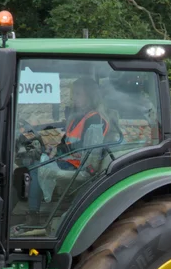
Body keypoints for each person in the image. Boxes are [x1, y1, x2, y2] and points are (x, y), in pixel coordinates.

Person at [25, 76, 118, 216]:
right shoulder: (77, 117)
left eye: (78, 94)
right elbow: (66, 142)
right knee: (33, 159)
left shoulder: (94, 118)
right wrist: (53, 150)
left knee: (35, 168)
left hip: (80, 164)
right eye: (73, 94)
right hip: (69, 160)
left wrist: (59, 151)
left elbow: (85, 146)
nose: (74, 98)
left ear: (90, 96)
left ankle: (33, 217)